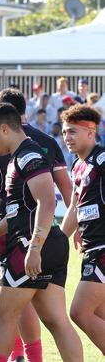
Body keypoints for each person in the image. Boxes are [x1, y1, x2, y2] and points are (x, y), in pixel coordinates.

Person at [0, 88, 73, 362]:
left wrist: (35, 246)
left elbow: (47, 202)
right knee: (56, 321)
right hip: (40, 238)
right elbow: (24, 211)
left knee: (3, 315)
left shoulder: (26, 155)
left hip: (29, 243)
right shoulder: (27, 151)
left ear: (5, 128)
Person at [60, 104, 105, 354]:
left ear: (91, 132)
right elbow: (74, 208)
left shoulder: (101, 159)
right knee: (98, 314)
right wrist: (58, 239)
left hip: (102, 249)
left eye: (73, 132)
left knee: (79, 312)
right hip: (92, 249)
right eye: (65, 132)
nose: (67, 137)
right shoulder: (78, 166)